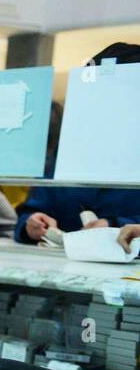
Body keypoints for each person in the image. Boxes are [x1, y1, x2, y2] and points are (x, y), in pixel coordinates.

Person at [16, 43, 140, 245]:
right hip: (63, 268)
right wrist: (31, 224)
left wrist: (117, 225)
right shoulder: (72, 149)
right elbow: (33, 209)